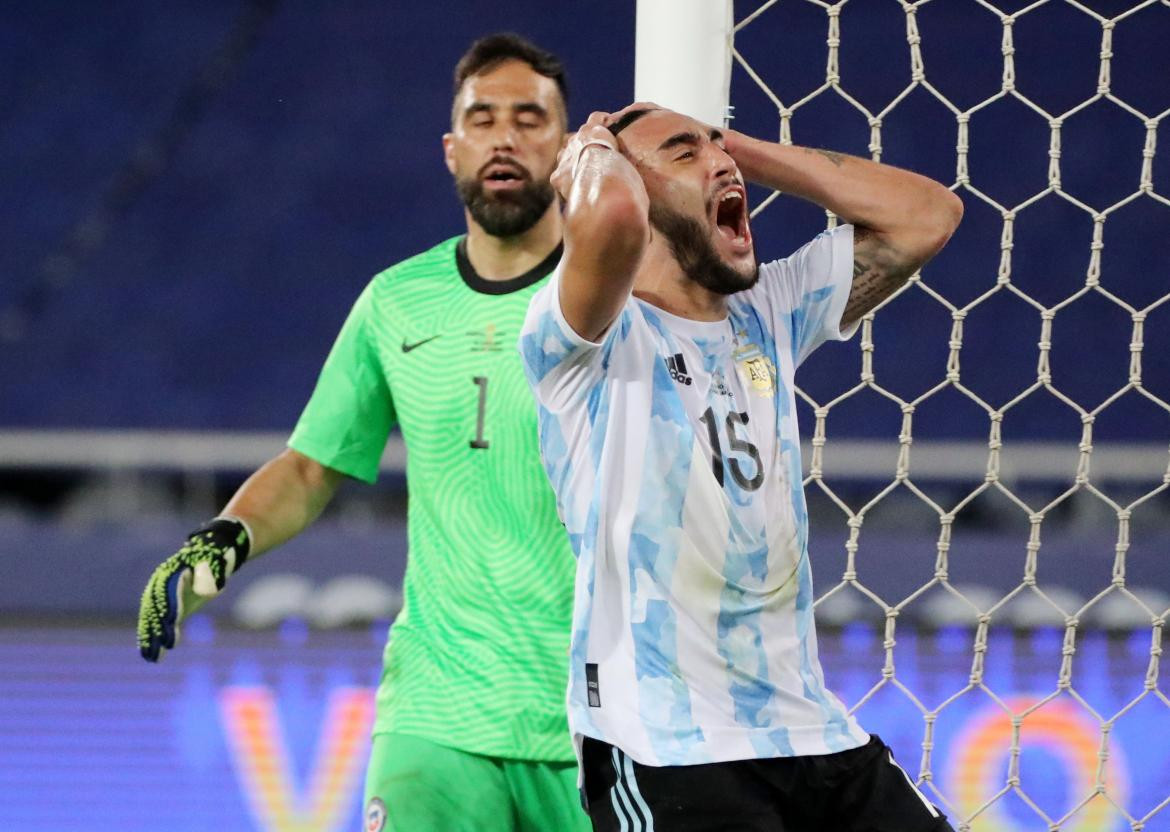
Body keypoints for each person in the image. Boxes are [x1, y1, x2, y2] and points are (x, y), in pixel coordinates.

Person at [137, 34, 592, 832]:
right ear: (451, 150)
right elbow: (312, 468)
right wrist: (225, 538)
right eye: (483, 120)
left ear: (568, 148)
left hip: (598, 719)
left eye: (530, 119)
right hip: (435, 713)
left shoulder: (621, 296)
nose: (506, 138)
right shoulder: (397, 302)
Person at [518, 103, 963, 831]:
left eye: (714, 146)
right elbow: (613, 222)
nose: (717, 162)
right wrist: (594, 156)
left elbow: (928, 215)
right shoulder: (587, 336)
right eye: (682, 152)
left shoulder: (768, 310)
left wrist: (737, 153)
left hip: (811, 731)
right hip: (667, 748)